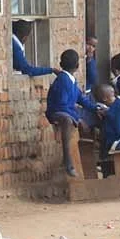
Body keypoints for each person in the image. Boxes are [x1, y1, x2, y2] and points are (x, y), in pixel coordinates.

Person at [46, 48, 104, 178]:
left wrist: (96, 108)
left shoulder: (71, 80)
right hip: (56, 112)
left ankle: (97, 159)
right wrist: (78, 118)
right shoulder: (63, 80)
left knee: (95, 118)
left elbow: (81, 99)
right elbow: (62, 105)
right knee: (67, 120)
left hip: (67, 111)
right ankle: (68, 160)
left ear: (60, 65)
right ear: (78, 66)